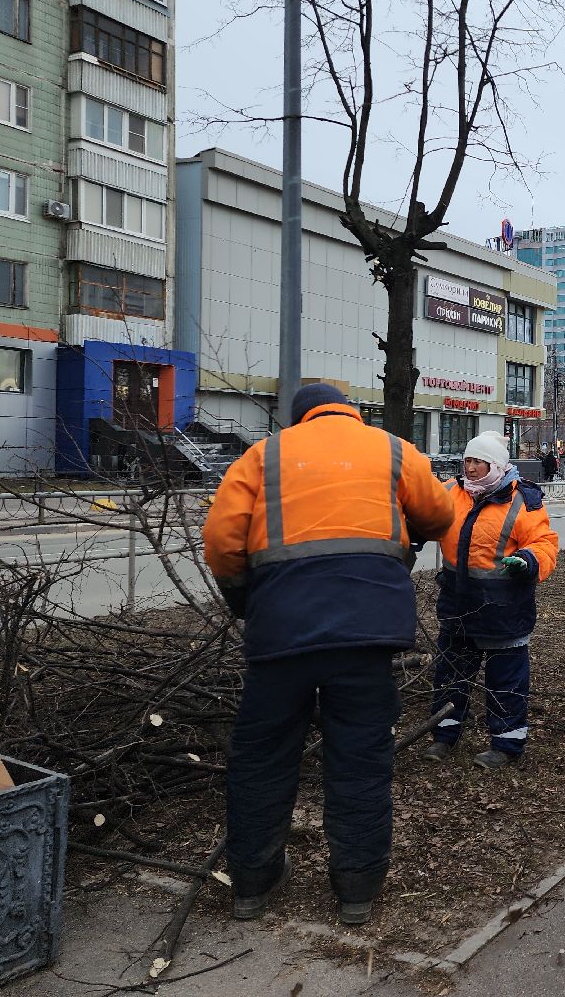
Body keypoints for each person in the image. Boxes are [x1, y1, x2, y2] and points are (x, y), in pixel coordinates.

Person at [202, 383, 455, 925]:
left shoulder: (263, 455)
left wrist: (246, 601)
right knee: (361, 759)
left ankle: (252, 881)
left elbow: (222, 539)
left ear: (298, 418)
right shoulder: (392, 450)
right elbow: (438, 513)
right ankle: (357, 888)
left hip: (280, 636)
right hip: (367, 636)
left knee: (262, 758)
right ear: (350, 412)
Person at [425, 431, 559, 769]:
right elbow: (422, 516)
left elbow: (544, 542)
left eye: (477, 462)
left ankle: (506, 745)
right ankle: (443, 736)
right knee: (451, 675)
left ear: (495, 465)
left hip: (504, 610)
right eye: (467, 461)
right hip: (458, 606)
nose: (469, 468)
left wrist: (529, 561)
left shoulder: (522, 499)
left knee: (506, 683)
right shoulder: (450, 492)